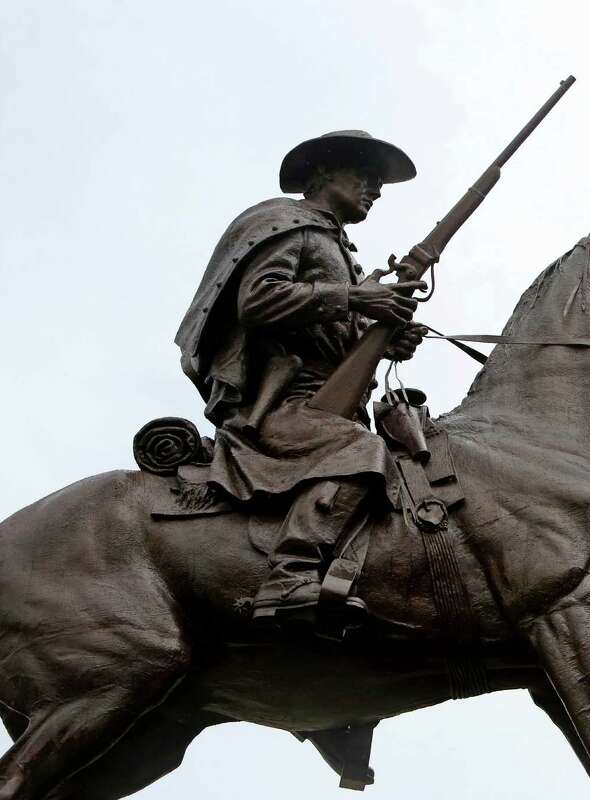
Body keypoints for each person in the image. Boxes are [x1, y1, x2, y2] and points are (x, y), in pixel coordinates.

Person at [175, 130, 427, 623]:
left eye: (378, 182)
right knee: (360, 451)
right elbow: (258, 300)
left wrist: (386, 338)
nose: (374, 189)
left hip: (329, 403)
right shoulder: (291, 226)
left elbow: (339, 341)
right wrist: (357, 298)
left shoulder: (341, 250)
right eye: (365, 176)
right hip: (283, 405)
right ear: (324, 172)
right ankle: (290, 574)